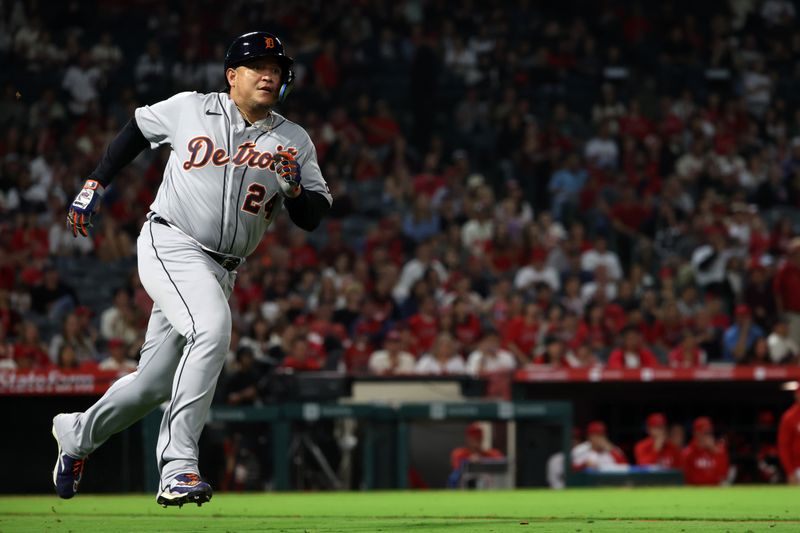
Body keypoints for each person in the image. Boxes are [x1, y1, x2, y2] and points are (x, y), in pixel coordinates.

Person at [51, 31, 332, 507]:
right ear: (232, 75)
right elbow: (137, 130)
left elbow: (313, 217)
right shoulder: (191, 107)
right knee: (213, 329)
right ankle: (178, 466)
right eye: (259, 66)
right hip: (172, 241)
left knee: (151, 385)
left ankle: (76, 434)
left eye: (277, 68)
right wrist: (96, 180)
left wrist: (295, 191)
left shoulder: (294, 139)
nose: (270, 75)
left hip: (223, 270)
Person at [448, 422, 505, 488]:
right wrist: (469, 461)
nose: (476, 441)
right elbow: (456, 467)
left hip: (487, 487)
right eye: (473, 438)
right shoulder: (459, 453)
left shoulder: (491, 453)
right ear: (467, 438)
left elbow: (502, 464)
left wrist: (482, 461)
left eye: (478, 438)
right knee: (454, 476)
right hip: (465, 487)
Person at [681, 417, 729, 485]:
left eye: (709, 432)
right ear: (696, 433)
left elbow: (724, 475)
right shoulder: (687, 453)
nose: (707, 436)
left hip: (715, 492)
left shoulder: (718, 451)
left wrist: (716, 453)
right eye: (704, 432)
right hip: (695, 492)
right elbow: (685, 479)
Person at [778, 389, 800, 484]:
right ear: (796, 396)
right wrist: (790, 471)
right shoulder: (789, 416)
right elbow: (784, 446)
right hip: (798, 468)